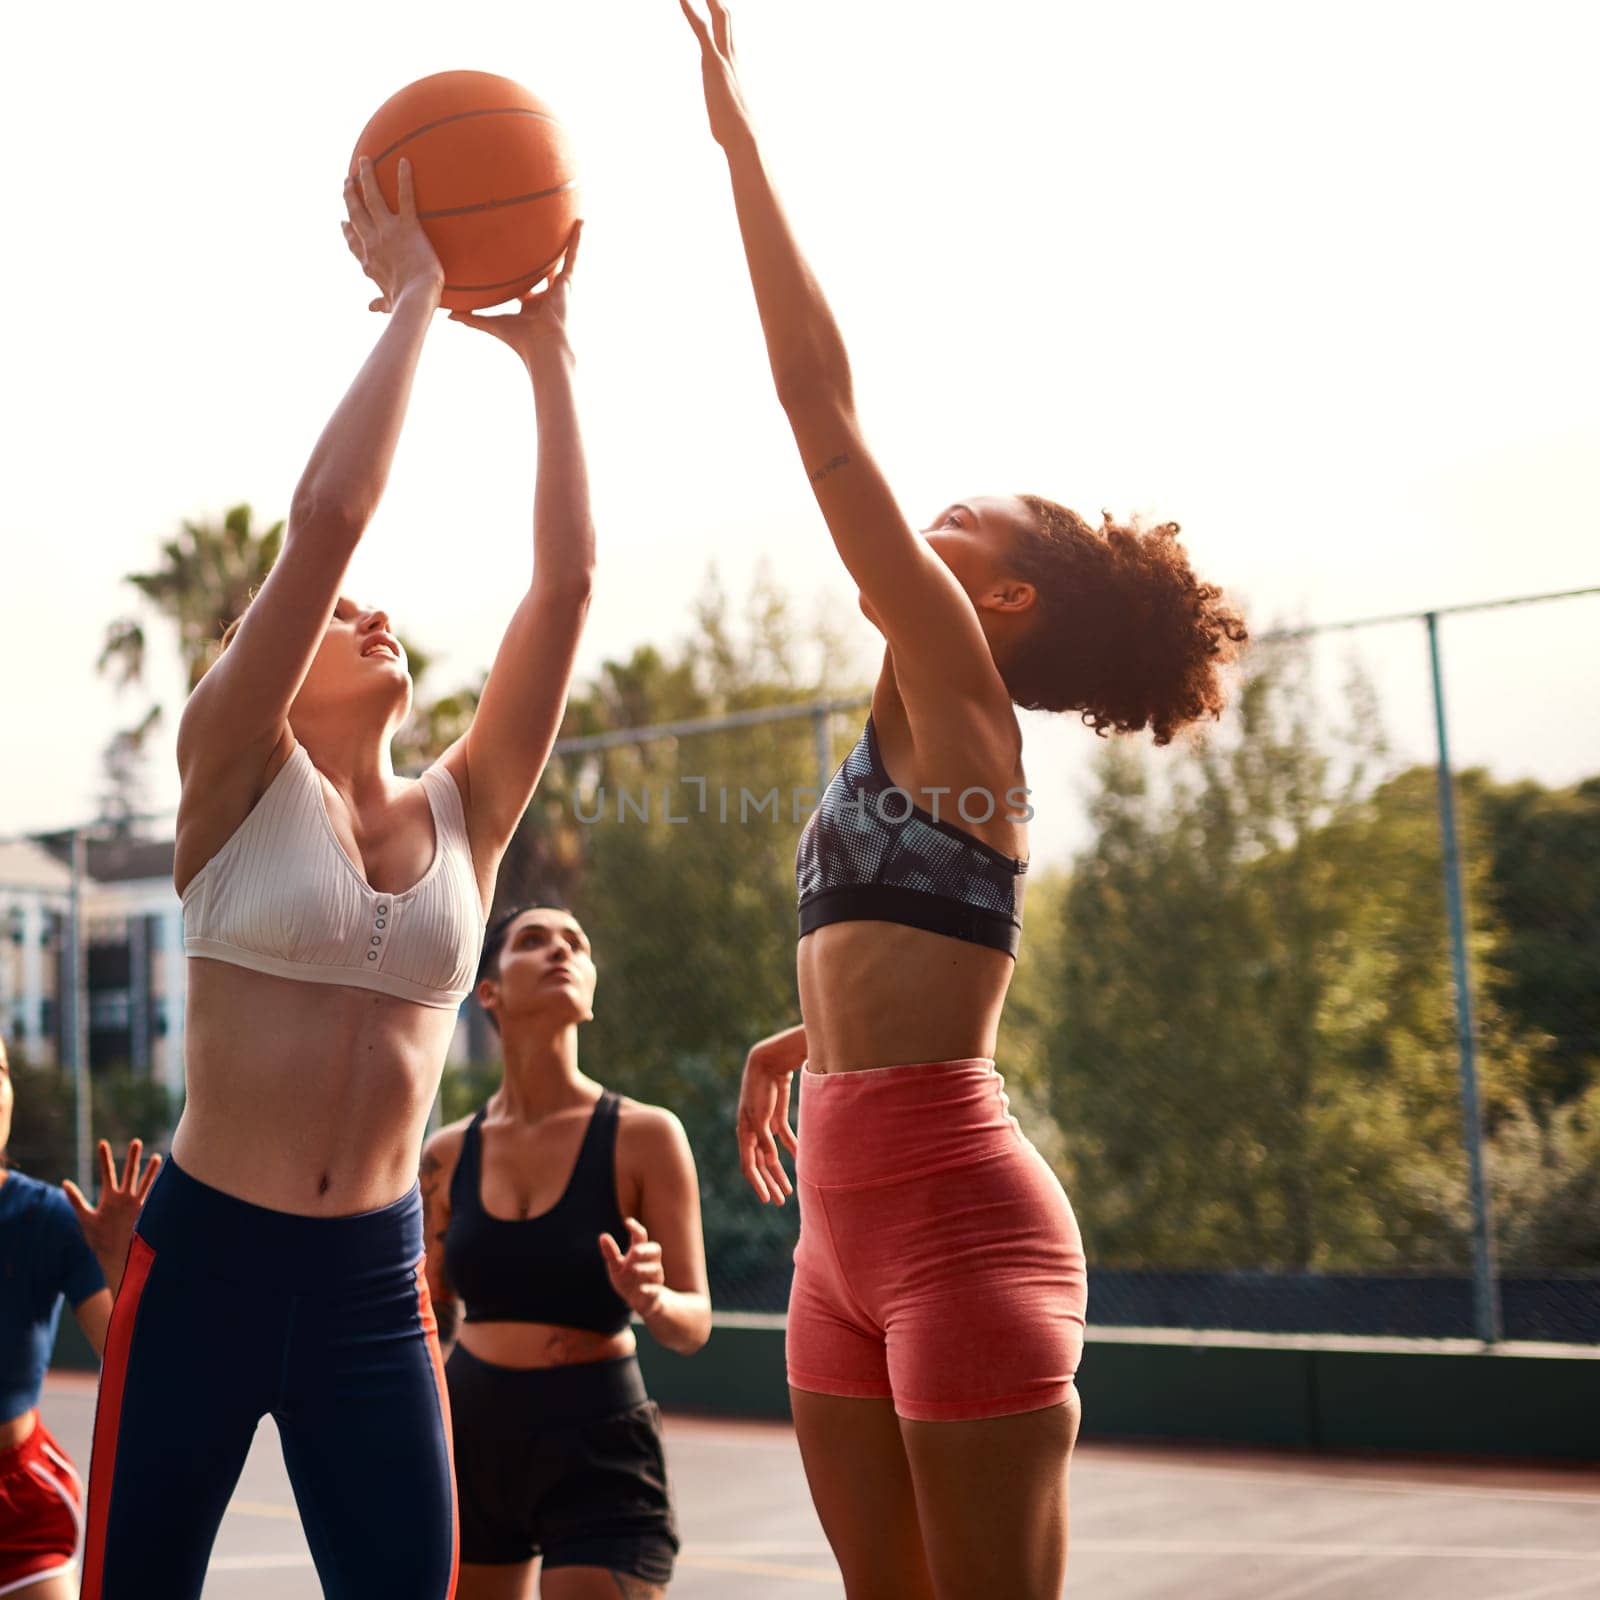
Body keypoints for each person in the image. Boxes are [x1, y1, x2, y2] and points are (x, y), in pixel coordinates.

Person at [673, 5, 1248, 1596]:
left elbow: (819, 411)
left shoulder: (969, 697)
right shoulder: (912, 728)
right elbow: (928, 942)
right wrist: (822, 1033)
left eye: (968, 519)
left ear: (1003, 600)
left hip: (959, 1235)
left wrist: (741, 146)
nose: (936, 512)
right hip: (840, 1239)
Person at [78, 158, 597, 1599]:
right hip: (204, 1273)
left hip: (374, 1288)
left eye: (377, 615)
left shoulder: (469, 811)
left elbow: (562, 593)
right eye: (328, 622)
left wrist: (550, 363)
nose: (367, 613)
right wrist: (420, 297)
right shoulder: (233, 769)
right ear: (259, 668)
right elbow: (328, 521)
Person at [420, 904, 711, 1600]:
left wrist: (653, 1297)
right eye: (533, 941)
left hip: (597, 1443)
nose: (560, 951)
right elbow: (430, 1314)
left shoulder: (647, 1136)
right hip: (472, 1439)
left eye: (576, 943)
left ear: (590, 986)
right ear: (487, 991)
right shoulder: (446, 1153)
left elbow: (693, 1322)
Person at [0, 1034, 157, 1600]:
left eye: (0, 1069)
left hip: (16, 1507)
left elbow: (137, 1371)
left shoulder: (44, 1219)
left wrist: (121, 1266)